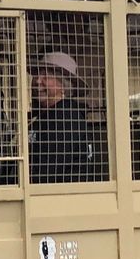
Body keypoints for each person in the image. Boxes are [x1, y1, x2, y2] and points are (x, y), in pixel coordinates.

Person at [30, 51, 100, 184]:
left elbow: (46, 173)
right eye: (37, 74)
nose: (38, 80)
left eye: (47, 75)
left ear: (63, 84)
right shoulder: (51, 115)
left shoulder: (63, 118)